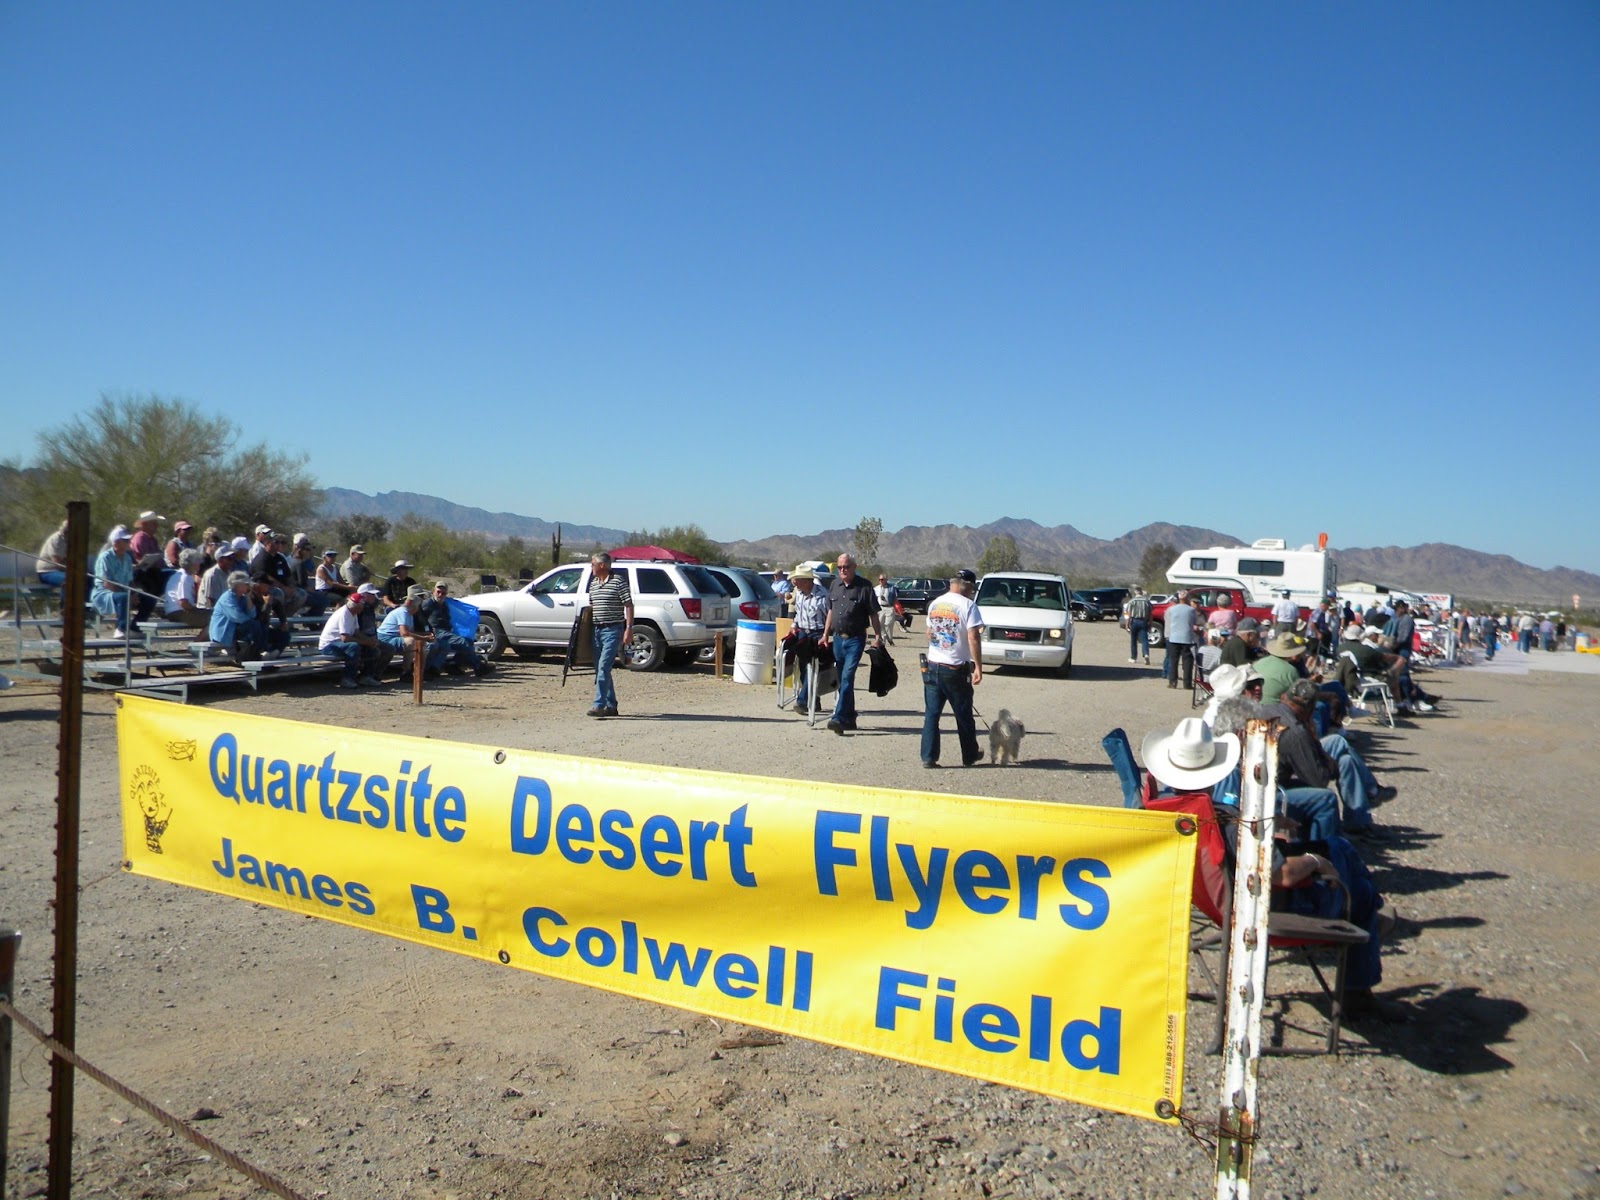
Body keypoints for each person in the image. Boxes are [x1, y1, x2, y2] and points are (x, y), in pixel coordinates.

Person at [1269, 678, 1395, 837]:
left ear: (1283, 697)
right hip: (1277, 788)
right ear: (1310, 709)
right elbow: (1318, 781)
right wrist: (1315, 740)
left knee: (1339, 746)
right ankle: (1366, 804)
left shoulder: (1269, 710)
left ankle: (1364, 808)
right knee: (1343, 760)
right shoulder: (1296, 731)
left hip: (1273, 772)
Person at [920, 570, 985, 768]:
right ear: (966, 586)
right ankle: (969, 755)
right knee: (963, 714)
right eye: (972, 588)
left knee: (932, 714)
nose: (971, 592)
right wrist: (978, 667)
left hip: (933, 664)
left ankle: (929, 757)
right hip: (955, 668)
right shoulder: (968, 606)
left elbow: (929, 632)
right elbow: (973, 636)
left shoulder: (935, 603)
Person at [819, 553, 883, 734]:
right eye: (839, 567)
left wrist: (878, 636)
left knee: (847, 677)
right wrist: (825, 634)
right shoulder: (834, 585)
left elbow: (873, 614)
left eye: (846, 567)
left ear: (854, 567)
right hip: (838, 639)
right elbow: (831, 612)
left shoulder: (864, 587)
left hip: (856, 639)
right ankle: (850, 717)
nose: (842, 570)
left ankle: (838, 718)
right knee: (843, 680)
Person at [584, 554, 631, 716]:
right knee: (600, 669)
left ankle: (599, 704)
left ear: (602, 565)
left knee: (604, 666)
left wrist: (628, 629)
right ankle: (611, 705)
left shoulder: (618, 581)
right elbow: (592, 606)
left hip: (613, 630)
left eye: (592, 564)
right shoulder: (593, 584)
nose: (591, 568)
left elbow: (629, 605)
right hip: (597, 630)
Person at [787, 569, 830, 714]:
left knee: (813, 667)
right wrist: (794, 626)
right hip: (802, 633)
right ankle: (814, 700)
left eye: (797, 579)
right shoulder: (799, 594)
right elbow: (799, 613)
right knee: (803, 668)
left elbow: (829, 616)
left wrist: (826, 634)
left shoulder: (822, 595)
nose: (794, 582)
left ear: (806, 580)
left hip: (817, 634)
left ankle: (802, 700)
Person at [319, 589, 382, 688]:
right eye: (361, 607)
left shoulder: (353, 613)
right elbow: (345, 638)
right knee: (353, 646)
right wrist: (365, 642)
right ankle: (347, 678)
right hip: (329, 645)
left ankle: (366, 676)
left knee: (371, 647)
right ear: (356, 606)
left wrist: (369, 640)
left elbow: (356, 632)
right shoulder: (344, 614)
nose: (362, 609)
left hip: (340, 643)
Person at [379, 584, 441, 679]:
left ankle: (419, 672)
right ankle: (406, 671)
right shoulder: (403, 612)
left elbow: (410, 632)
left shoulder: (409, 615)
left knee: (421, 643)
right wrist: (424, 637)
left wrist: (426, 635)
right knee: (410, 641)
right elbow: (404, 633)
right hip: (385, 638)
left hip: (395, 638)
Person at [209, 571, 273, 661]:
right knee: (254, 625)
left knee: (260, 625)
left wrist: (247, 597)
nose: (248, 586)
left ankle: (260, 652)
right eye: (245, 584)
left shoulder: (242, 598)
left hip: (236, 629)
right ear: (237, 585)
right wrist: (251, 620)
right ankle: (260, 651)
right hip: (224, 632)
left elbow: (252, 614)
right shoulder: (227, 598)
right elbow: (237, 617)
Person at [91, 525, 135, 636]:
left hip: (123, 592)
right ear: (116, 542)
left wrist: (134, 593)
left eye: (128, 540)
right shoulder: (105, 557)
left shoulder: (127, 558)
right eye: (125, 540)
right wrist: (128, 595)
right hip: (104, 593)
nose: (128, 542)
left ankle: (135, 629)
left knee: (148, 600)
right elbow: (107, 584)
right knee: (124, 597)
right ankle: (121, 629)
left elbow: (130, 581)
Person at [1256, 630, 1309, 706]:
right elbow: (1300, 695)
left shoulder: (1259, 662)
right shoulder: (1291, 671)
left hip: (1255, 705)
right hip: (1275, 709)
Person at [161, 548, 210, 630]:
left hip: (173, 612)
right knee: (215, 618)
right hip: (178, 612)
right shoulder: (185, 577)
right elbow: (183, 603)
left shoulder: (179, 574)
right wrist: (196, 610)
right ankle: (200, 641)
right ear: (191, 564)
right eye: (197, 562)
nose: (199, 565)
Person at [1162, 589, 1200, 690]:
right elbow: (1194, 622)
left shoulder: (1171, 609)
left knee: (1173, 661)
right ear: (1187, 598)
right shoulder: (1191, 610)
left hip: (1174, 638)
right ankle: (1187, 683)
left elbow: (1168, 623)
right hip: (1187, 638)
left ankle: (1172, 682)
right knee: (1187, 661)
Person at [197, 542, 240, 609]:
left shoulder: (229, 573)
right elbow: (210, 601)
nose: (232, 561)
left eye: (233, 557)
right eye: (229, 558)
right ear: (220, 560)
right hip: (206, 612)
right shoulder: (211, 575)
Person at [35, 520, 69, 588]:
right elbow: (57, 563)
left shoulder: (75, 540)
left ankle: (86, 598)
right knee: (68, 580)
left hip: (65, 571)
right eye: (65, 530)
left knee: (89, 579)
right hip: (47, 572)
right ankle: (66, 599)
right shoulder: (56, 539)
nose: (66, 533)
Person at [1125, 586, 1152, 664]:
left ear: (1135, 592)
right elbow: (1150, 614)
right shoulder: (1146, 601)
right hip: (1143, 621)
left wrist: (1127, 624)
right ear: (1141, 592)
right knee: (1144, 640)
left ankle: (1133, 657)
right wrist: (1150, 623)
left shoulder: (1132, 601)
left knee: (1133, 640)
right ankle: (1146, 654)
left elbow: (1128, 614)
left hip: (1134, 621)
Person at [874, 574, 900, 645]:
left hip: (889, 607)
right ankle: (884, 639)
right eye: (879, 580)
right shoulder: (876, 588)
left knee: (888, 624)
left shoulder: (891, 588)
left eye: (882, 579)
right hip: (880, 608)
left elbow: (895, 598)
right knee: (880, 624)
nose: (881, 581)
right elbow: (874, 599)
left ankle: (890, 638)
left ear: (886, 580)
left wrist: (896, 608)